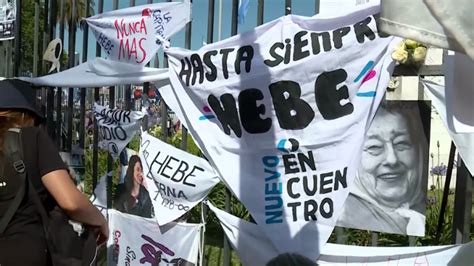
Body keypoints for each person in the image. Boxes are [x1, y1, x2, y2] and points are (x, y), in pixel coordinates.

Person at [0, 79, 109, 265]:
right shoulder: (31, 138)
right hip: (22, 252)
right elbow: (71, 202)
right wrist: (100, 222)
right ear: (26, 116)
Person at [337, 101, 429, 236]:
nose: (392, 159)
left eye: (401, 143)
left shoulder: (416, 219)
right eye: (374, 147)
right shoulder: (344, 218)